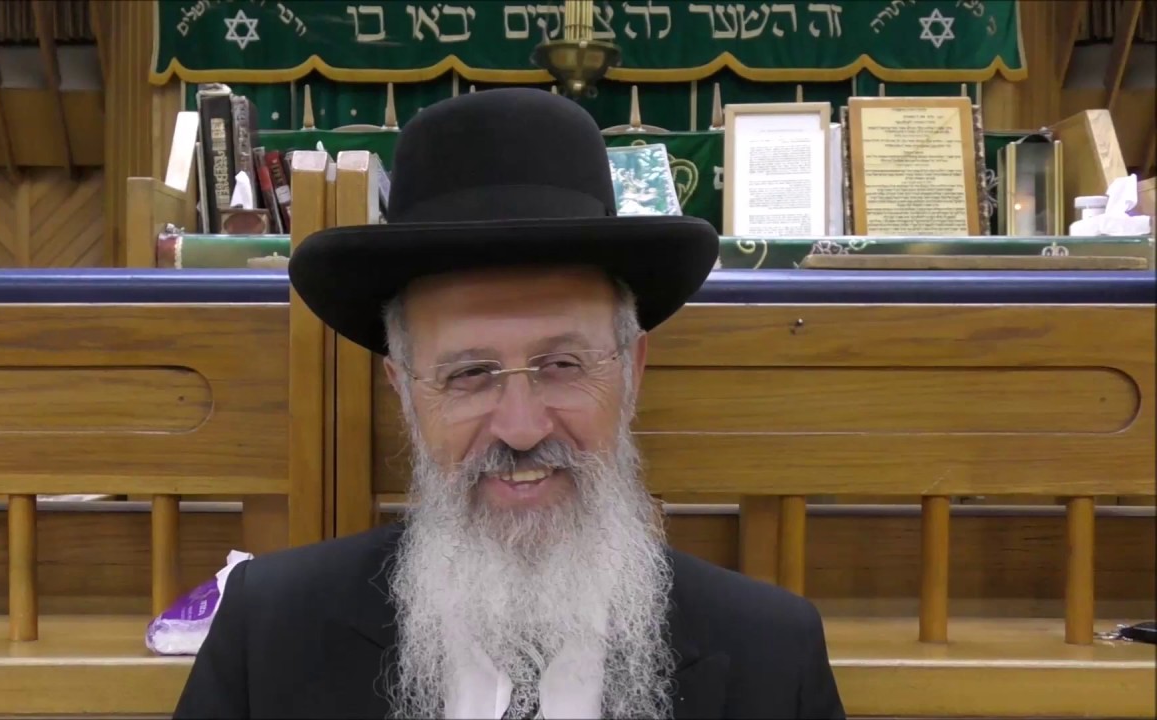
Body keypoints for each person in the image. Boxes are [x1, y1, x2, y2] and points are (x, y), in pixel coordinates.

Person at [173, 88, 844, 720]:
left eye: (562, 365)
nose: (521, 429)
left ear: (632, 370)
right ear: (403, 390)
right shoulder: (267, 637)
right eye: (470, 374)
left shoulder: (772, 659)